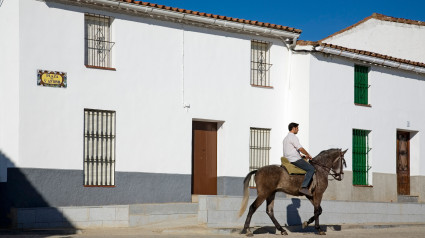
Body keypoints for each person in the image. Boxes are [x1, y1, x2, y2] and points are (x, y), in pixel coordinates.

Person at [283, 122, 315, 196]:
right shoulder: (293, 137)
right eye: (297, 128)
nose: (298, 130)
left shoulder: (285, 138)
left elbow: (291, 151)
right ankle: (303, 187)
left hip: (288, 158)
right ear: (293, 128)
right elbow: (300, 148)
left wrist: (303, 157)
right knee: (311, 169)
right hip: (294, 159)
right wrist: (308, 154)